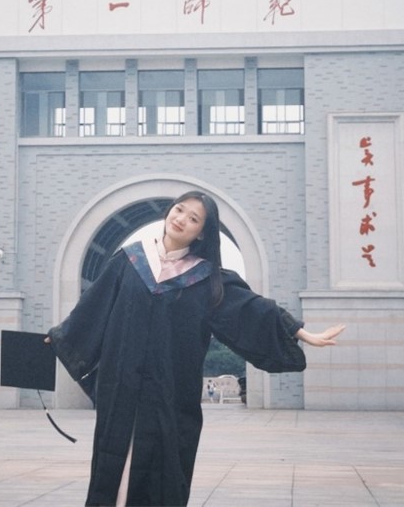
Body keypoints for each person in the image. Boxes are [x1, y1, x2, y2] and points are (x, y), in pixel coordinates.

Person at [46, 190, 345, 506]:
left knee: (161, 473)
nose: (181, 220)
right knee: (113, 464)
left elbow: (253, 310)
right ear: (169, 212)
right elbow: (94, 306)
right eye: (179, 210)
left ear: (201, 232)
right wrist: (62, 335)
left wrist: (298, 331)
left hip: (169, 396)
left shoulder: (205, 278)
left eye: (193, 219)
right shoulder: (129, 260)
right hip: (122, 390)